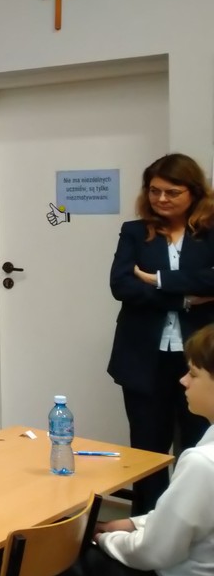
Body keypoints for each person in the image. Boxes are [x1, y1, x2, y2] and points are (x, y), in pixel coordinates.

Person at [0, 322, 214, 576]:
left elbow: (154, 552)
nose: (183, 381)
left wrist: (104, 539)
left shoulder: (202, 463)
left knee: (7, 562)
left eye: (193, 374)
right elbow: (189, 520)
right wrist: (130, 524)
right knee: (45, 551)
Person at [107, 152, 214, 515]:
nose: (161, 199)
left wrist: (158, 280)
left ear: (193, 192)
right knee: (147, 451)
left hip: (199, 362)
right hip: (143, 358)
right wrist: (185, 298)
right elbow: (121, 285)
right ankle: (143, 526)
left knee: (198, 448)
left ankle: (191, 526)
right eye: (155, 191)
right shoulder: (135, 232)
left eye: (172, 192)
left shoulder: (209, 231)